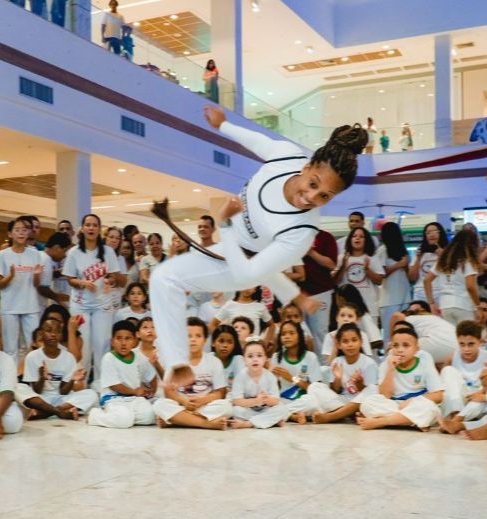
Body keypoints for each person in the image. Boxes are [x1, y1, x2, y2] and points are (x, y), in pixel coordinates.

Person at [150, 106, 366, 388]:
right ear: (306, 167)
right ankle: (178, 363)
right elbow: (256, 141)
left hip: (241, 262)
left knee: (169, 278)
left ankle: (179, 365)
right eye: (312, 184)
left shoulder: (301, 232)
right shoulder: (288, 155)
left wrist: (225, 225)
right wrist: (223, 125)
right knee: (161, 277)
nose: (310, 197)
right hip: (227, 250)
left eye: (324, 196)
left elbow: (246, 276)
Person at [63, 213, 123, 386]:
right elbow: (69, 279)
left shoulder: (108, 252)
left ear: (99, 229)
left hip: (102, 306)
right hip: (80, 306)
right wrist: (81, 282)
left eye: (95, 225)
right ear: (82, 228)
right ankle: (81, 385)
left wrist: (109, 280)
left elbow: (114, 277)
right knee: (85, 347)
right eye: (88, 225)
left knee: (102, 347)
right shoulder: (74, 252)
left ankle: (101, 386)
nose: (91, 228)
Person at [354, 326, 443, 430]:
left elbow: (438, 395)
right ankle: (410, 421)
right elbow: (385, 395)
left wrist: (412, 401)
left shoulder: (424, 365)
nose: (400, 350)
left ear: (416, 349)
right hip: (394, 405)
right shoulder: (386, 364)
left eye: (406, 345)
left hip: (416, 403)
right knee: (368, 403)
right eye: (396, 346)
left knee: (429, 408)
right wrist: (391, 369)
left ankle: (382, 421)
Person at [152, 318, 232, 429]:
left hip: (204, 406)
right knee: (159, 405)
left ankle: (177, 421)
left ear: (204, 340)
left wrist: (201, 401)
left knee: (226, 406)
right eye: (188, 336)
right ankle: (206, 423)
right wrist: (184, 402)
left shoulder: (214, 361)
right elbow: (168, 392)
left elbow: (220, 392)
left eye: (198, 336)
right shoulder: (175, 361)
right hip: (181, 405)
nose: (193, 340)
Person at [15, 318, 97, 419]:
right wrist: (41, 378)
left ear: (61, 335)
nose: (53, 334)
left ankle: (45, 413)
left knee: (91, 394)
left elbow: (63, 392)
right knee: (18, 388)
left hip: (61, 399)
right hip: (40, 399)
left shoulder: (68, 357)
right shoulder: (32, 356)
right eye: (49, 330)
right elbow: (36, 391)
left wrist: (72, 380)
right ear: (41, 334)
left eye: (57, 331)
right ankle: (60, 412)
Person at [87, 320, 157, 429]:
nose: (123, 343)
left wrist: (151, 391)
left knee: (150, 416)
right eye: (119, 338)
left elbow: (151, 375)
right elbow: (114, 385)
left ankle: (124, 416)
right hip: (114, 398)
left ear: (134, 341)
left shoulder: (138, 357)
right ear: (112, 341)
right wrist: (135, 391)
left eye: (128, 338)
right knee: (124, 420)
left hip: (134, 398)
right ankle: (95, 415)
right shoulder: (109, 358)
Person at [0, 216, 43, 358]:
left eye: (24, 230)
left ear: (28, 233)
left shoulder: (34, 254)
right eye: (17, 230)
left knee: (33, 346)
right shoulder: (3, 255)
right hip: (10, 307)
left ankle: (31, 379)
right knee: (10, 349)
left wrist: (37, 275)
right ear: (10, 234)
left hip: (31, 306)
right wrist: (10, 276)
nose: (21, 233)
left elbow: (36, 285)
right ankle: (11, 379)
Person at [309, 323, 378, 424]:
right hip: (343, 402)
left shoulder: (369, 363)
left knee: (373, 389)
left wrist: (359, 384)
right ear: (339, 345)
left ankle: (330, 416)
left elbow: (369, 394)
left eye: (354, 340)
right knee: (314, 386)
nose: (350, 344)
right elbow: (334, 391)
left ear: (361, 342)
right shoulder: (337, 361)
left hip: (361, 403)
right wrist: (337, 379)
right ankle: (349, 413)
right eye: (345, 341)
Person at [438, 320, 487, 434]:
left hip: (478, 400)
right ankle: (455, 415)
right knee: (448, 370)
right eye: (462, 344)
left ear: (480, 342)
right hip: (460, 399)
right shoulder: (452, 356)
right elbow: (445, 385)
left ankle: (456, 421)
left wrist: (482, 395)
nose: (466, 349)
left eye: (471, 344)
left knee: (483, 402)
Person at [424, 226, 480, 326]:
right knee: (466, 338)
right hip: (463, 305)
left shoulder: (443, 259)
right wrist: (478, 306)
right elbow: (470, 286)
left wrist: (431, 304)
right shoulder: (467, 260)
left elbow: (427, 280)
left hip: (445, 306)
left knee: (452, 339)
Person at [228, 339, 288, 429]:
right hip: (248, 409)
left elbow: (276, 400)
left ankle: (248, 424)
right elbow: (237, 401)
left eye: (259, 356)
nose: (255, 359)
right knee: (236, 410)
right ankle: (270, 421)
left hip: (265, 409)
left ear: (265, 359)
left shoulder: (270, 376)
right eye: (250, 356)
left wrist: (265, 399)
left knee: (282, 409)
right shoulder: (240, 377)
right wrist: (256, 401)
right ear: (244, 360)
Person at [300, 228, 340, 357]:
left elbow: (331, 265)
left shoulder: (325, 237)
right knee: (300, 333)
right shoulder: (293, 235)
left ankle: (324, 369)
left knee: (319, 333)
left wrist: (310, 251)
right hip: (298, 294)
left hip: (320, 291)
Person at [333, 227, 385, 325]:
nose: (357, 238)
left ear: (366, 240)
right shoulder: (341, 258)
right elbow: (335, 282)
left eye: (361, 237)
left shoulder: (372, 258)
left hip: (369, 307)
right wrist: (343, 266)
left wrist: (367, 270)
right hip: (347, 310)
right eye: (354, 236)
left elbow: (379, 281)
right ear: (350, 239)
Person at [378, 222, 411, 338]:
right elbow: (381, 274)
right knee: (389, 336)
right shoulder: (382, 250)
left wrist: (405, 265)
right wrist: (399, 264)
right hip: (388, 300)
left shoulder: (403, 251)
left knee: (405, 333)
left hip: (405, 297)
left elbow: (409, 274)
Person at [409, 222, 447, 304]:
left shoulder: (448, 251)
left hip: (441, 292)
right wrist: (418, 258)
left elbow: (451, 274)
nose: (431, 235)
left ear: (440, 233)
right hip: (420, 293)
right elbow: (412, 278)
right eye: (428, 233)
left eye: (434, 231)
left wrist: (443, 256)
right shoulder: (420, 251)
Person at [37, 231, 71, 306]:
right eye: (64, 251)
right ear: (57, 247)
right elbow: (43, 288)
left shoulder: (39, 255)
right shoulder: (46, 260)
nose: (65, 255)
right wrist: (57, 298)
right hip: (36, 306)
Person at [211, 323, 244, 389]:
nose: (225, 345)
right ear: (213, 343)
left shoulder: (239, 360)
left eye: (229, 342)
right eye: (221, 341)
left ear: (234, 345)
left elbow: (243, 385)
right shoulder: (207, 359)